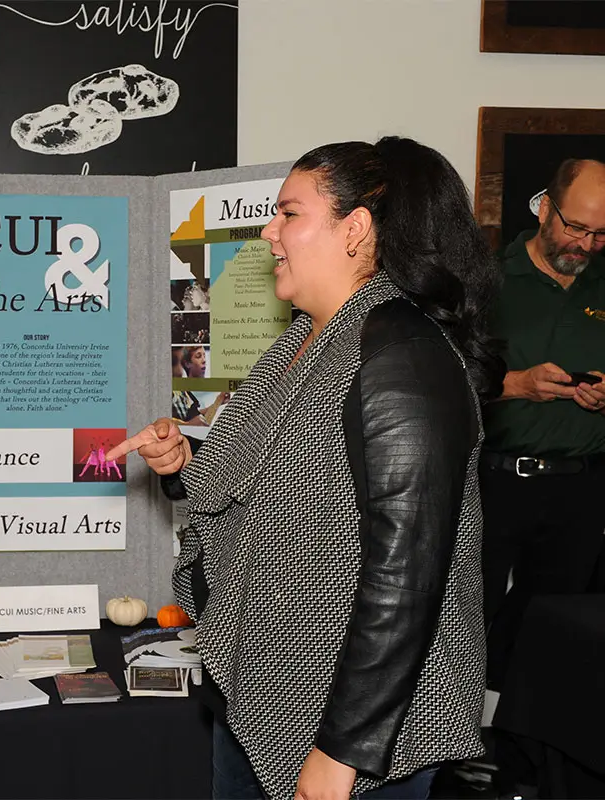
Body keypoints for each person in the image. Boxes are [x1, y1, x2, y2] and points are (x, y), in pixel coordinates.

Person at [109, 137, 504, 799]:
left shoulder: (404, 355)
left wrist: (340, 749)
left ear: (354, 229)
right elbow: (275, 483)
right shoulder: (306, 338)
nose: (269, 232)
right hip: (265, 693)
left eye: (289, 213)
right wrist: (184, 466)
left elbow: (407, 571)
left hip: (358, 739)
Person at [481, 159, 605, 692]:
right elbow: (445, 377)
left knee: (554, 631)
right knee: (465, 616)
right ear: (544, 207)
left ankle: (522, 755)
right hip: (493, 481)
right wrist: (515, 385)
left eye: (601, 234)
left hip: (581, 487)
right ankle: (456, 748)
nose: (586, 243)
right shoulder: (486, 278)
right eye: (575, 226)